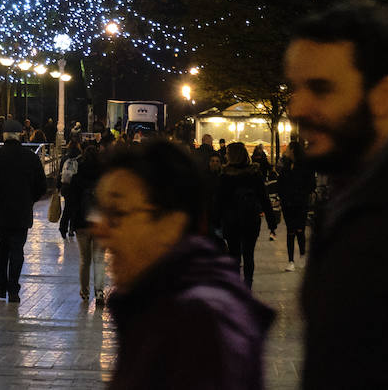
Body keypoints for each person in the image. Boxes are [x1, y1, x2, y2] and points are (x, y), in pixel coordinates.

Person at [284, 0, 388, 387]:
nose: (297, 107)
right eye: (295, 87)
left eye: (321, 89)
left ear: (384, 95)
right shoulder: (355, 190)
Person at [93, 140, 273, 388]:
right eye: (100, 211)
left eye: (118, 213)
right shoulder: (158, 302)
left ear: (171, 223)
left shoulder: (197, 327)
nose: (100, 229)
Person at [0, 118, 47, 302]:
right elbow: (42, 185)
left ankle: (0, 287)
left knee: (2, 249)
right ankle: (13, 288)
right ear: (19, 136)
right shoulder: (30, 158)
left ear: (4, 136)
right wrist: (30, 199)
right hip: (22, 212)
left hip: (2, 211)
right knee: (17, 250)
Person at [215, 141, 266, 288]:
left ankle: (236, 284)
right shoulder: (254, 173)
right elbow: (263, 197)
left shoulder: (225, 175)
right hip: (251, 220)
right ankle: (248, 283)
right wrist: (271, 220)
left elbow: (219, 200)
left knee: (234, 254)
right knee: (249, 254)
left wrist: (215, 221)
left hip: (231, 221)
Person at [66, 140, 107, 302]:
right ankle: (99, 292)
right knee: (99, 259)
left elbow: (71, 202)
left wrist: (68, 223)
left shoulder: (77, 177)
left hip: (81, 223)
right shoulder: (104, 177)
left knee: (85, 260)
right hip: (100, 223)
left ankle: (84, 291)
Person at [275, 139, 315, 272]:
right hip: (288, 203)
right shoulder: (285, 165)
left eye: (288, 148)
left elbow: (311, 184)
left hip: (300, 202)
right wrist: (282, 197)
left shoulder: (305, 166)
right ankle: (291, 260)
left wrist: (301, 193)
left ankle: (302, 255)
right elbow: (280, 183)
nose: (286, 150)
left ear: (293, 150)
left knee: (300, 230)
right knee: (290, 230)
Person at [57, 140, 82, 240]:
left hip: (66, 186)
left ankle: (63, 228)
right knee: (75, 208)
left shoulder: (64, 158)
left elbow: (60, 173)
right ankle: (72, 228)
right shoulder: (80, 159)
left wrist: (58, 186)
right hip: (76, 187)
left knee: (67, 208)